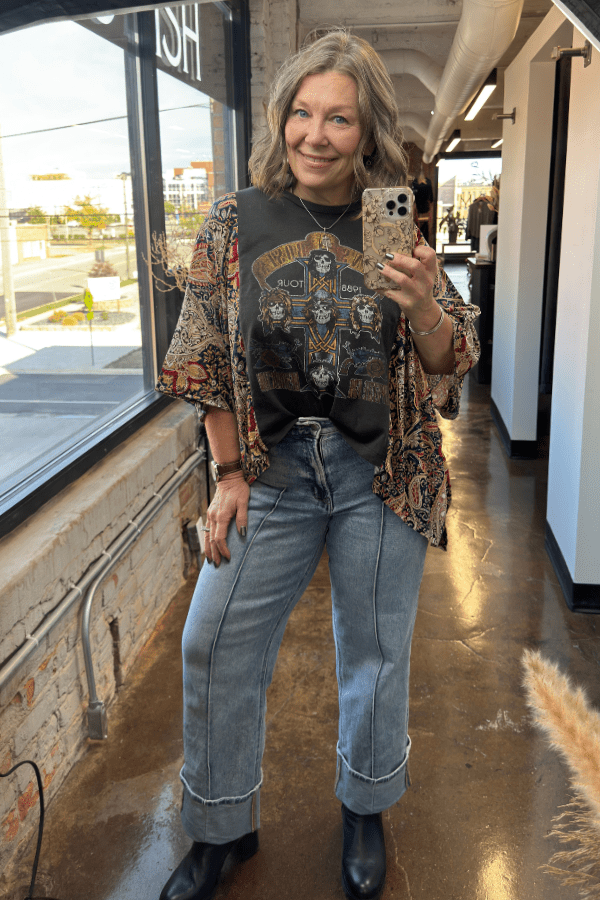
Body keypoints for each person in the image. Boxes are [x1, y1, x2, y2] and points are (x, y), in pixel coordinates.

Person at [156, 28, 480, 900]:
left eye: (338, 118)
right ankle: (222, 824)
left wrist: (421, 311)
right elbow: (205, 357)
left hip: (383, 471)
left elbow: (454, 358)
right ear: (280, 117)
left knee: (374, 653)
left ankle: (364, 810)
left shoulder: (392, 219)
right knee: (213, 643)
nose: (315, 134)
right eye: (301, 112)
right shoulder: (237, 220)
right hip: (272, 471)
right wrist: (226, 477)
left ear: (367, 130)